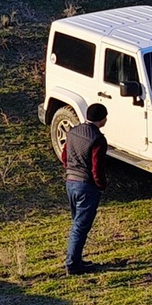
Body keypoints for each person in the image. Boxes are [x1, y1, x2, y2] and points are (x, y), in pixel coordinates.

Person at [63, 102, 108, 274]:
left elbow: (64, 155)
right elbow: (97, 168)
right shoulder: (98, 139)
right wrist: (101, 186)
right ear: (102, 119)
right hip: (86, 186)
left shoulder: (73, 132)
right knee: (80, 227)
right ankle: (73, 264)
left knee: (77, 224)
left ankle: (76, 260)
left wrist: (70, 170)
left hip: (70, 182)